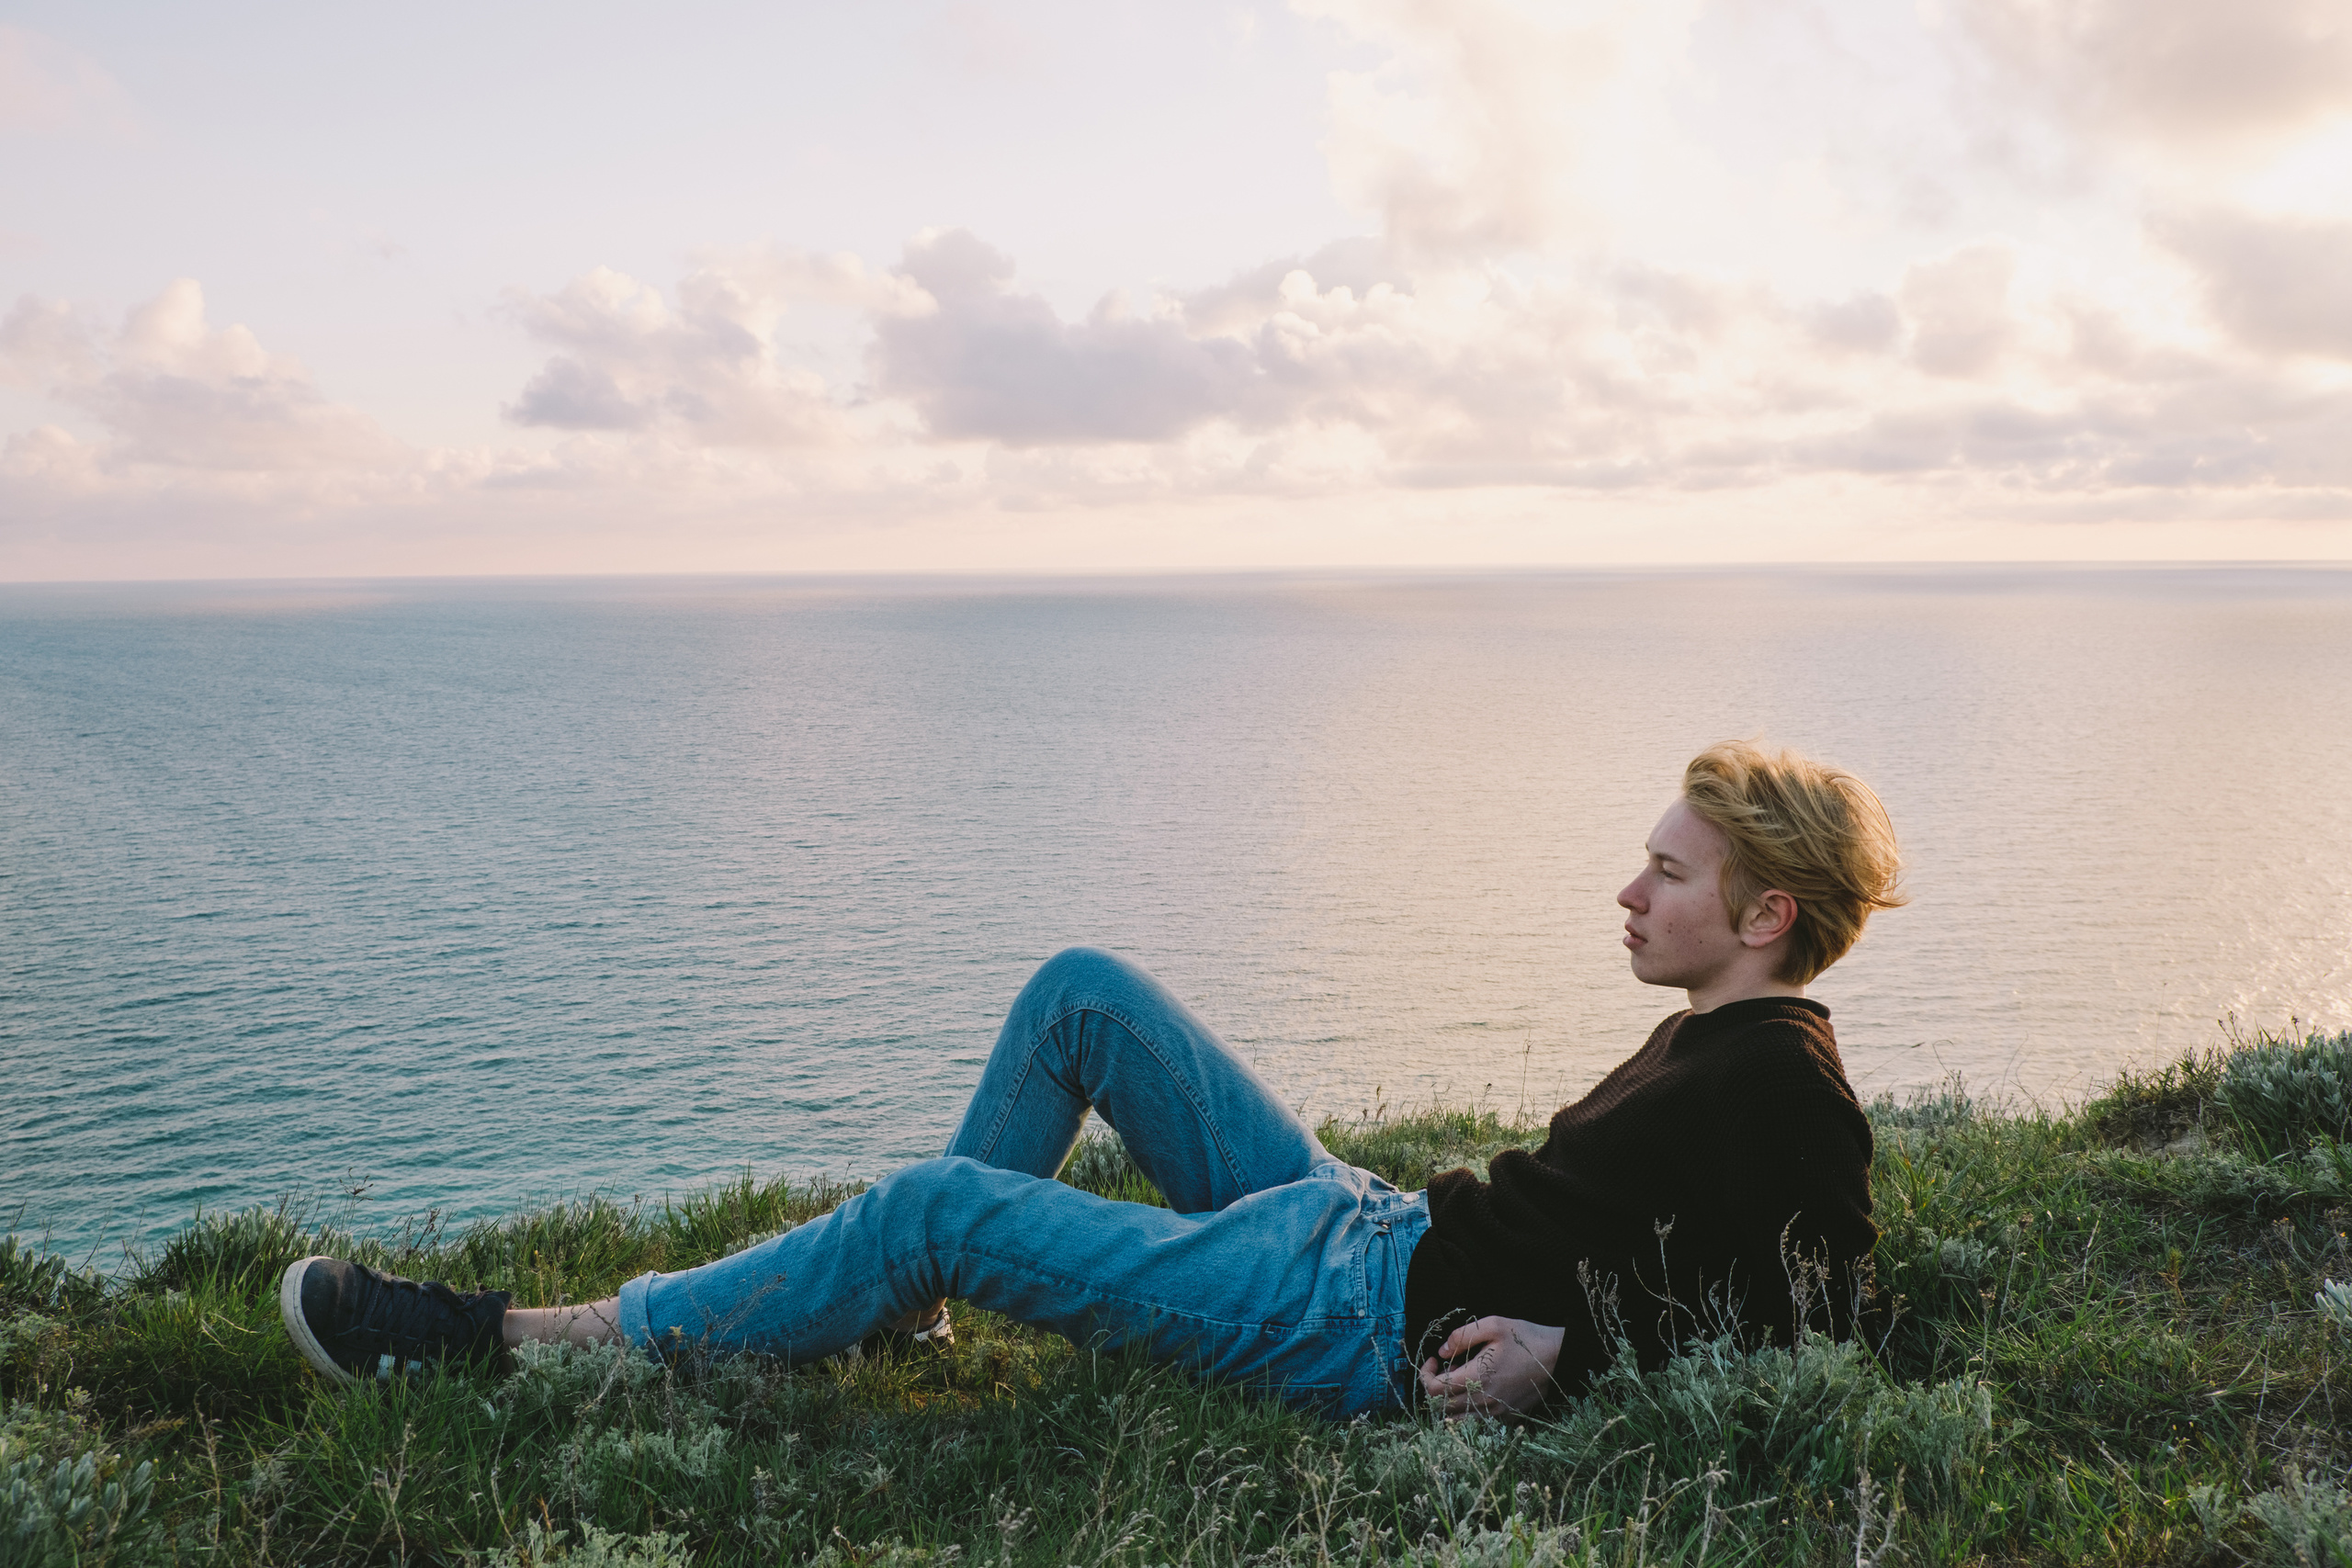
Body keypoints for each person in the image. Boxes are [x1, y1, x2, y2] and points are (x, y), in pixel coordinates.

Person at [279, 739, 1902, 1419]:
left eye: (1668, 875)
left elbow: (1836, 1316)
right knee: (1083, 996)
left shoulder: (1784, 1082)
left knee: (932, 1207)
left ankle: (512, 1343)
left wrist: (1569, 1354)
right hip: (1367, 1226)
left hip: (1353, 1321)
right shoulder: (1720, 1036)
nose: (1629, 892)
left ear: (1767, 914)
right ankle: (884, 1306)